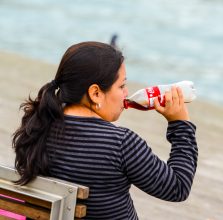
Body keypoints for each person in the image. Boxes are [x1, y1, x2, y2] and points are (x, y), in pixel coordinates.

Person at [12, 41, 198, 219]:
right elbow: (178, 188)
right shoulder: (121, 143)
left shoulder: (36, 128)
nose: (126, 93)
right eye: (122, 86)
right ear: (95, 93)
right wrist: (180, 124)